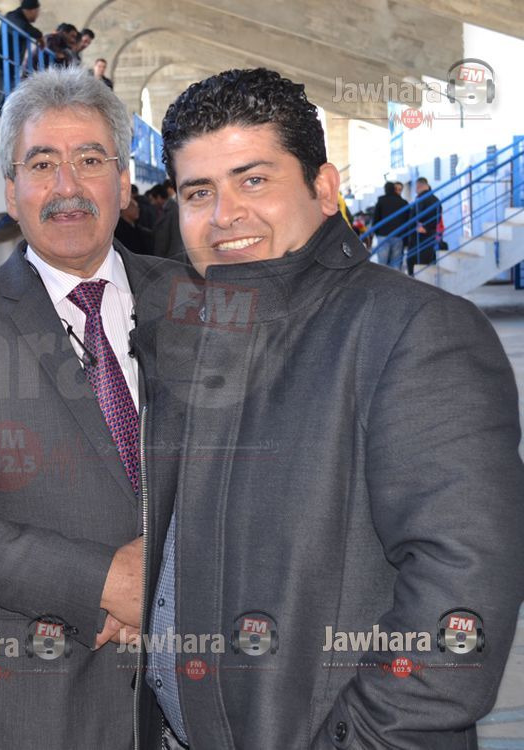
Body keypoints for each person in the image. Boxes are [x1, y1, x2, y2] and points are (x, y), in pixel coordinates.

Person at [133, 67, 524, 750]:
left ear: (323, 187)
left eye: (254, 180)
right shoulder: (197, 334)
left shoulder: (413, 332)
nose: (225, 214)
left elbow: (460, 601)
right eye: (200, 191)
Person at [0, 66, 172, 749]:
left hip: (198, 687)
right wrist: (106, 582)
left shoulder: (190, 300)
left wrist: (174, 569)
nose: (67, 186)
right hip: (42, 702)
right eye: (42, 164)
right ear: (11, 191)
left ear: (124, 183)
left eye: (90, 160)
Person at [0, 0, 42, 85]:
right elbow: (22, 27)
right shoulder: (13, 16)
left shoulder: (19, 19)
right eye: (37, 12)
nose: (38, 15)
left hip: (9, 67)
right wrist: (39, 35)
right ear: (33, 10)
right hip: (0, 65)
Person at [372, 180, 409, 268]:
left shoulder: (381, 200)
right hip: (398, 236)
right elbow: (407, 220)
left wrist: (377, 232)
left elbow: (376, 218)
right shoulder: (403, 203)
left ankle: (383, 278)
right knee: (396, 264)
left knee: (382, 265)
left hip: (383, 235)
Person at [409, 176, 442, 275]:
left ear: (419, 186)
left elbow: (419, 216)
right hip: (427, 234)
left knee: (419, 262)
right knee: (425, 261)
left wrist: (425, 228)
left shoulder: (424, 199)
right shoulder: (433, 199)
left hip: (421, 235)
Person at [115, 186, 153, 255]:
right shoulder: (118, 229)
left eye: (137, 207)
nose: (138, 210)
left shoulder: (138, 228)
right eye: (134, 207)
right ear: (125, 209)